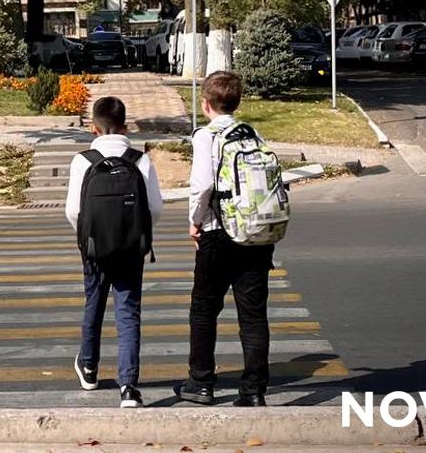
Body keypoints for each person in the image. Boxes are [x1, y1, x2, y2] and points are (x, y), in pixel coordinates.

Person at [175, 71, 276, 407]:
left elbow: (202, 184)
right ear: (238, 102)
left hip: (219, 233)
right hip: (257, 234)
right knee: (253, 314)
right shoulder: (253, 133)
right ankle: (254, 391)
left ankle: (201, 382)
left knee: (204, 309)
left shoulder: (207, 136)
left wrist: (194, 221)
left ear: (205, 104)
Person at [65, 96, 164, 408]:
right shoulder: (140, 160)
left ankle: (90, 368)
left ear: (94, 128)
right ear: (125, 125)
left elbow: (73, 211)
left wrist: (88, 237)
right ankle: (129, 388)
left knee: (93, 302)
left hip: (94, 248)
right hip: (131, 248)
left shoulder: (83, 160)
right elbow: (155, 209)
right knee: (128, 310)